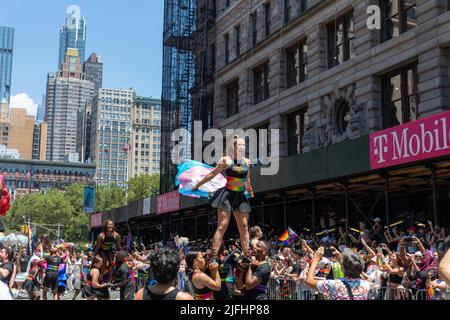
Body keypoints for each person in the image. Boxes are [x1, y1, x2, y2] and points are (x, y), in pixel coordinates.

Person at [192, 136, 255, 263]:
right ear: (234, 146)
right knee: (222, 225)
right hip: (227, 194)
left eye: (244, 145)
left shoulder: (247, 162)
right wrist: (198, 185)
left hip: (241, 195)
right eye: (240, 145)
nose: (243, 147)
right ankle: (213, 254)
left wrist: (250, 189)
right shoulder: (226, 160)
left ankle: (247, 254)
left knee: (243, 226)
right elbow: (212, 174)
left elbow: (247, 178)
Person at [306, 247, 371, 300]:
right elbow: (356, 270)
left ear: (342, 268)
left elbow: (309, 281)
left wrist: (315, 260)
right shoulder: (366, 285)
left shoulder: (335, 284)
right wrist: (341, 260)